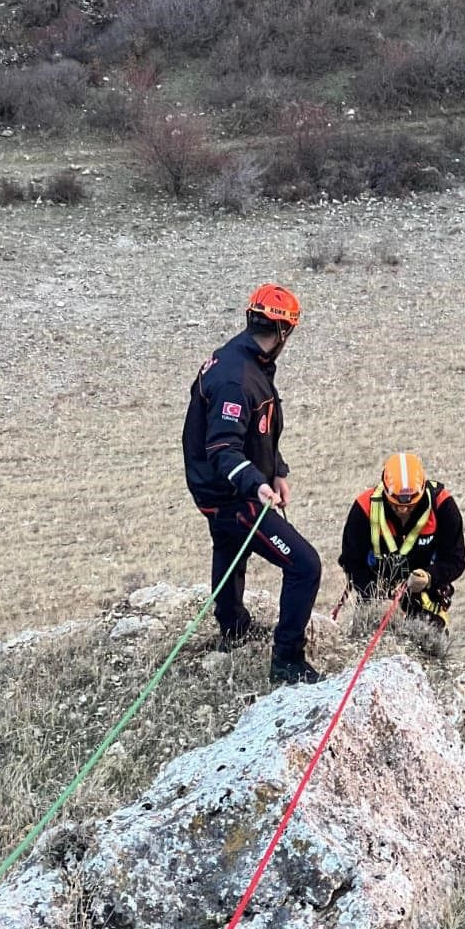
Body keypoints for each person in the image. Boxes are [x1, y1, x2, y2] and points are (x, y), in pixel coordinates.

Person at [183, 283, 322, 685]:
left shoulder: (245, 359)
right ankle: (287, 661)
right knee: (304, 565)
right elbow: (224, 447)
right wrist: (253, 485)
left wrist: (276, 468)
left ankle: (233, 627)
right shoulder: (236, 378)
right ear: (284, 332)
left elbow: (256, 433)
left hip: (218, 489)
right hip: (230, 494)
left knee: (229, 548)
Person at [338, 451, 465, 651]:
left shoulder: (443, 507)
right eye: (396, 505)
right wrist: (375, 597)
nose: (404, 510)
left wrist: (430, 577)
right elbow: (351, 561)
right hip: (376, 597)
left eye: (411, 505)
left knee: (431, 648)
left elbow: (456, 560)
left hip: (425, 596)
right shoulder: (364, 509)